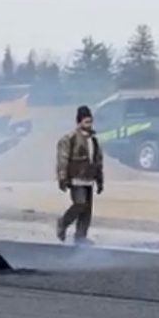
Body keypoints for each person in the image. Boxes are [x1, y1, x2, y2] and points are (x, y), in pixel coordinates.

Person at [56, 105, 104, 245]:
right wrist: (62, 177)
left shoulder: (94, 140)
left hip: (89, 179)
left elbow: (98, 161)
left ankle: (80, 237)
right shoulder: (69, 139)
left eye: (90, 121)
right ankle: (63, 223)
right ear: (79, 122)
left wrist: (100, 181)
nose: (89, 125)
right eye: (86, 122)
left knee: (87, 212)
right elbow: (62, 158)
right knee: (80, 204)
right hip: (76, 178)